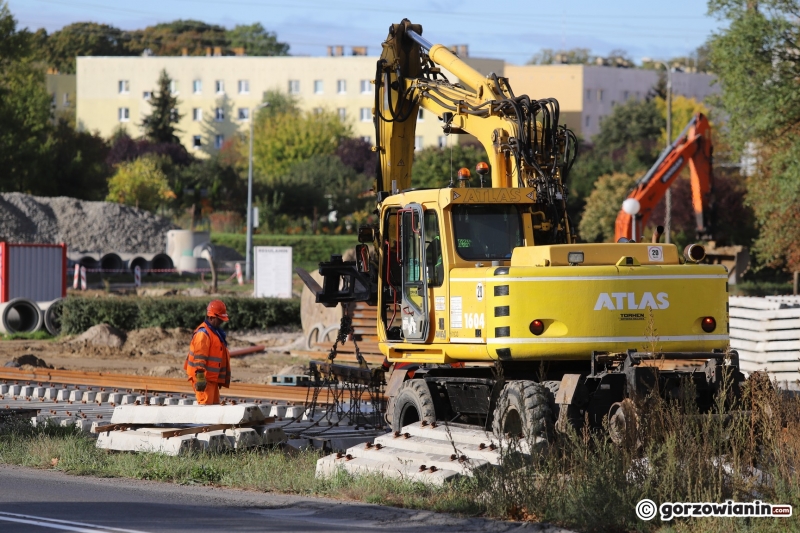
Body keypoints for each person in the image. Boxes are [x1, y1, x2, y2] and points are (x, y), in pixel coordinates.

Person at [183, 300, 231, 405]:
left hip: (211, 379)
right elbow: (199, 359)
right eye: (220, 319)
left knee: (213, 408)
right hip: (204, 380)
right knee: (206, 409)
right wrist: (200, 379)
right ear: (212, 317)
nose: (221, 322)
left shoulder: (215, 332)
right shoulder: (203, 334)